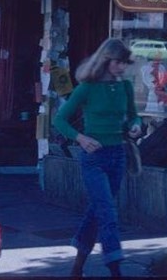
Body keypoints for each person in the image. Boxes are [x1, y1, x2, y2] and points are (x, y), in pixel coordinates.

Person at [53, 38, 141, 278]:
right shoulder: (87, 88)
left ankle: (77, 268)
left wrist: (135, 126)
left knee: (98, 211)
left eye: (125, 63)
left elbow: (134, 116)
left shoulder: (125, 87)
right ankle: (116, 269)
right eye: (118, 62)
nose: (122, 68)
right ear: (105, 61)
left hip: (118, 155)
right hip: (94, 158)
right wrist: (80, 138)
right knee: (108, 213)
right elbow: (59, 119)